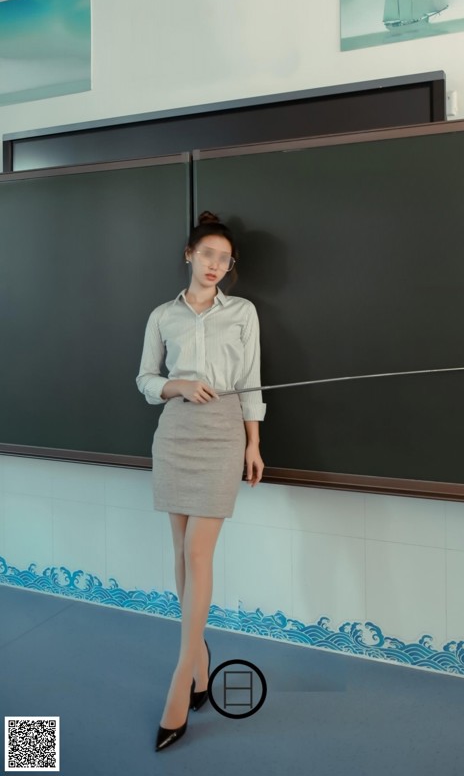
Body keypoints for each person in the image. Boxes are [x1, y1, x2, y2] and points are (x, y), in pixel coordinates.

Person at [136, 210, 266, 751]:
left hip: (222, 434)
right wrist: (177, 386)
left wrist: (254, 442)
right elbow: (145, 379)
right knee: (179, 552)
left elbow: (253, 379)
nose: (216, 265)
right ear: (189, 255)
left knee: (197, 554)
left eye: (224, 259)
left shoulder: (243, 312)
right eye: (207, 254)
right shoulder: (162, 315)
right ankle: (202, 662)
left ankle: (180, 679)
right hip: (175, 433)